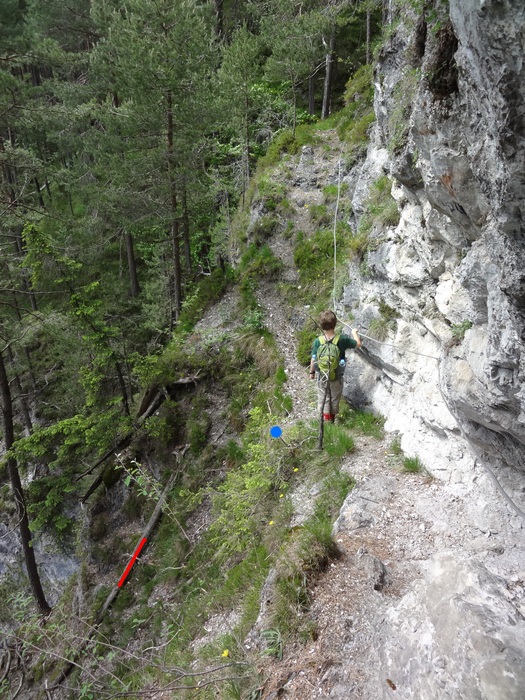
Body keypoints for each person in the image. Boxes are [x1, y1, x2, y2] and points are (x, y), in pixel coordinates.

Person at [309, 310, 361, 422]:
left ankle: (325, 421)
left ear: (321, 325)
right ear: (335, 323)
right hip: (337, 376)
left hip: (322, 376)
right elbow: (358, 344)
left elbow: (314, 358)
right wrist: (354, 333)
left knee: (324, 398)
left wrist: (312, 373)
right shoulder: (342, 339)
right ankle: (332, 421)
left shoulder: (318, 341)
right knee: (334, 398)